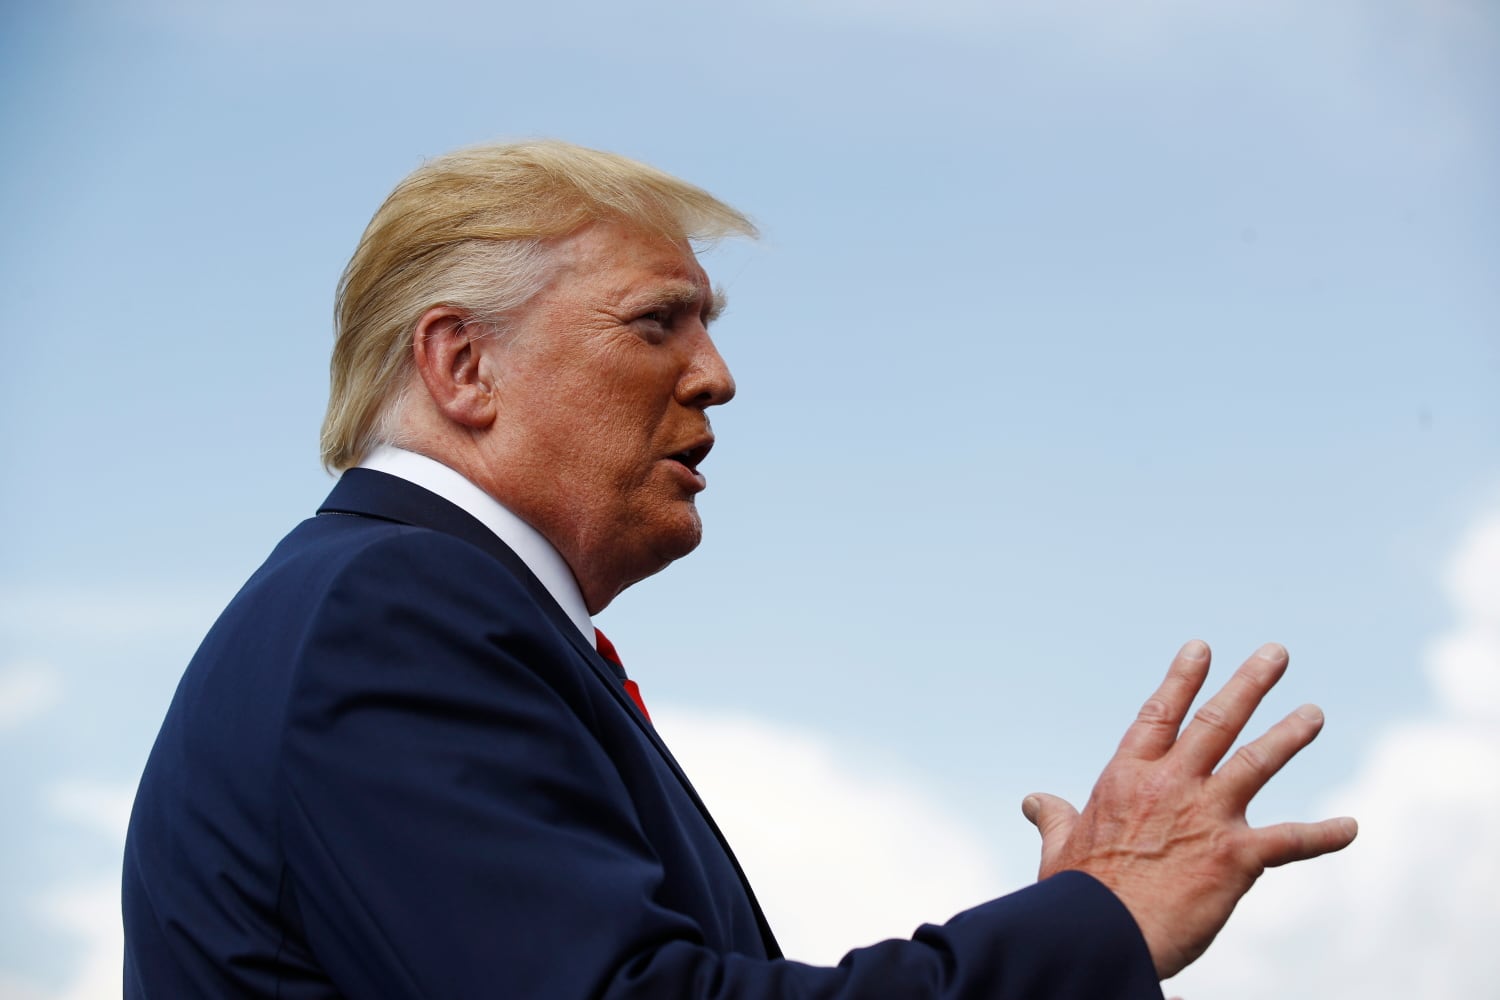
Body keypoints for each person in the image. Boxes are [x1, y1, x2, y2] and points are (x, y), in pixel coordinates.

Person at [121, 140, 1357, 998]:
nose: (716, 375)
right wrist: (1095, 924)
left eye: (710, 326)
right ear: (463, 367)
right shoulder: (391, 613)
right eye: (659, 320)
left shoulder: (410, 613)